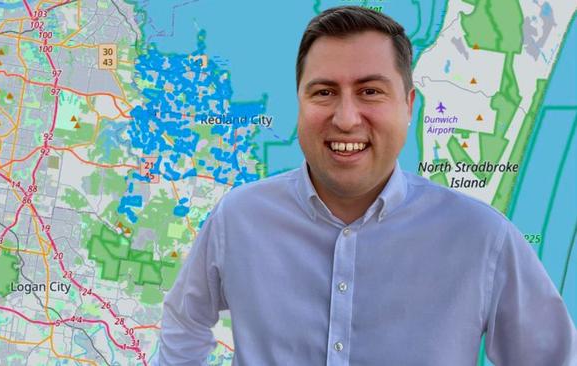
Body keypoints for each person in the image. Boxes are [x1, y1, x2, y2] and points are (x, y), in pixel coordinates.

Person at [156, 6, 576, 366]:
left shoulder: (483, 237)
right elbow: (185, 319)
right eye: (323, 92)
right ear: (300, 102)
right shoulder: (240, 217)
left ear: (408, 105)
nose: (346, 118)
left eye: (370, 91)